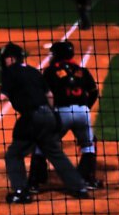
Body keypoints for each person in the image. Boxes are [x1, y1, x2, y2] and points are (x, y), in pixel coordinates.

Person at [0, 42, 88, 204]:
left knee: (14, 154)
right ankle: (79, 187)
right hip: (49, 115)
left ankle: (21, 191)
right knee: (54, 152)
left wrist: (2, 93)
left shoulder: (9, 72)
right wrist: (51, 115)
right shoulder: (33, 71)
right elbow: (50, 95)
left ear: (10, 59)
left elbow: (2, 97)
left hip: (32, 117)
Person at [28, 41, 102, 193]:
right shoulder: (82, 70)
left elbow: (44, 94)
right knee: (88, 145)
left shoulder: (49, 72)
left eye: (53, 53)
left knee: (42, 143)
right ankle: (87, 180)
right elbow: (94, 92)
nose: (51, 56)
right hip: (83, 112)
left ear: (58, 55)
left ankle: (35, 183)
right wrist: (85, 108)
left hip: (61, 113)